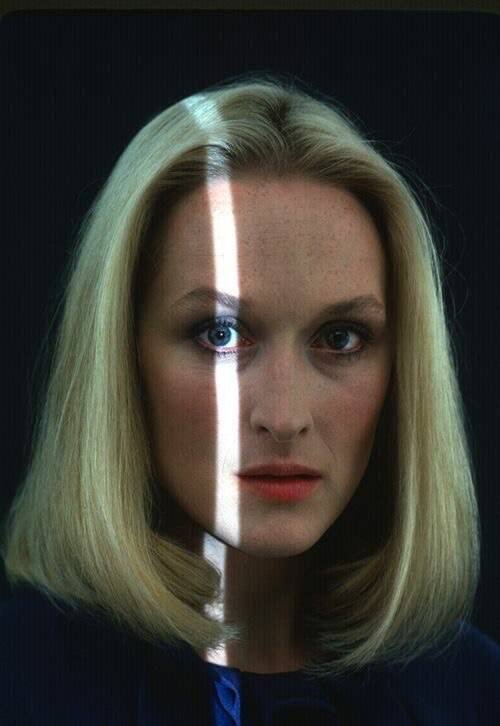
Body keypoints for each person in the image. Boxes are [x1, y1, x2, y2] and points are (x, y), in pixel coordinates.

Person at [1, 72, 498, 725]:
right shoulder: (19, 687)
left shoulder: (474, 696)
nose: (284, 417)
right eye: (221, 334)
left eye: (340, 338)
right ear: (121, 359)